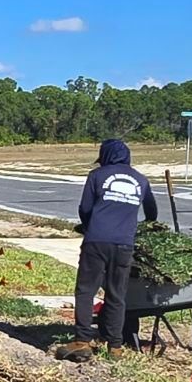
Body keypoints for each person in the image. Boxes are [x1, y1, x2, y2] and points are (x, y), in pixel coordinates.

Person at [72, 134, 158, 350]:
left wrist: (91, 226)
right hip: (124, 245)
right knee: (117, 295)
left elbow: (84, 209)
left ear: (105, 157)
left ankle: (82, 340)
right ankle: (115, 345)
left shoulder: (97, 175)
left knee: (85, 291)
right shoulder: (141, 180)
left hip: (96, 242)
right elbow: (152, 212)